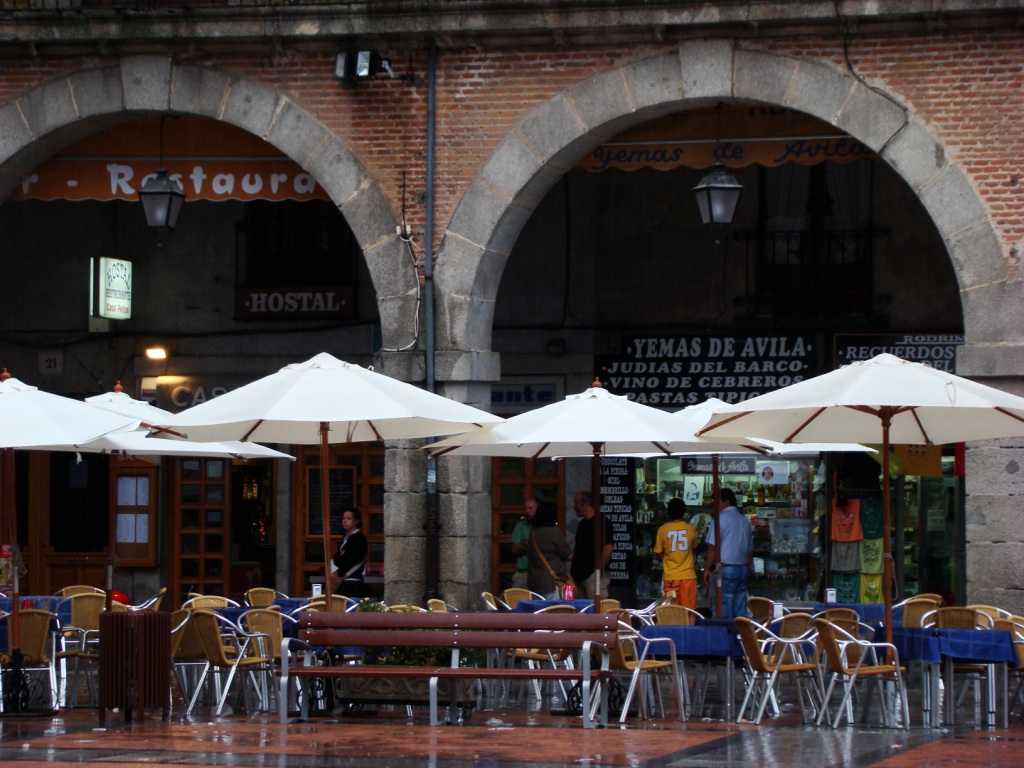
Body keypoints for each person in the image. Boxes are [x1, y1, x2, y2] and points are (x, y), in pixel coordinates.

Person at [702, 489, 753, 620]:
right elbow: (749, 551)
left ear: (726, 502)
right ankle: (741, 636)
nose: (715, 505)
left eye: (717, 501)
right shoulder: (744, 520)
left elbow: (712, 547)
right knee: (740, 609)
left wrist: (707, 569)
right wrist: (747, 568)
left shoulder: (720, 519)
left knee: (724, 609)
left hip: (725, 568)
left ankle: (727, 637)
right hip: (742, 568)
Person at [654, 497, 698, 610]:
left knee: (669, 612)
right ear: (683, 512)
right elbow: (694, 548)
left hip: (670, 577)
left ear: (668, 512)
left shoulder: (662, 530)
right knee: (690, 611)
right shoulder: (691, 528)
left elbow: (658, 553)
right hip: (689, 577)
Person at [526, 501, 573, 599]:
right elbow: (568, 555)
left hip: (535, 582)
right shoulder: (553, 532)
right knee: (554, 612)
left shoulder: (533, 532)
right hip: (551, 582)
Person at [570, 491, 612, 600]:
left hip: (593, 577)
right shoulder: (582, 524)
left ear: (585, 504)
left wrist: (597, 571)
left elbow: (608, 548)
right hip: (579, 577)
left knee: (598, 609)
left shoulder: (602, 522)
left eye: (576, 503)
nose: (574, 506)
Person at [331, 507, 368, 598]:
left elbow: (346, 560)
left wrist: (341, 557)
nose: (345, 521)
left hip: (353, 582)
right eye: (343, 518)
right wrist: (341, 557)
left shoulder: (358, 538)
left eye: (348, 518)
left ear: (356, 521)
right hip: (344, 582)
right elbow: (337, 559)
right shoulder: (345, 537)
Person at [510, 497, 539, 589]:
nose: (527, 511)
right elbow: (515, 549)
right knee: (516, 601)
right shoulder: (520, 527)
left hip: (540, 574)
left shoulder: (543, 527)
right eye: (525, 508)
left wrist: (525, 543)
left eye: (530, 508)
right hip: (523, 574)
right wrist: (534, 547)